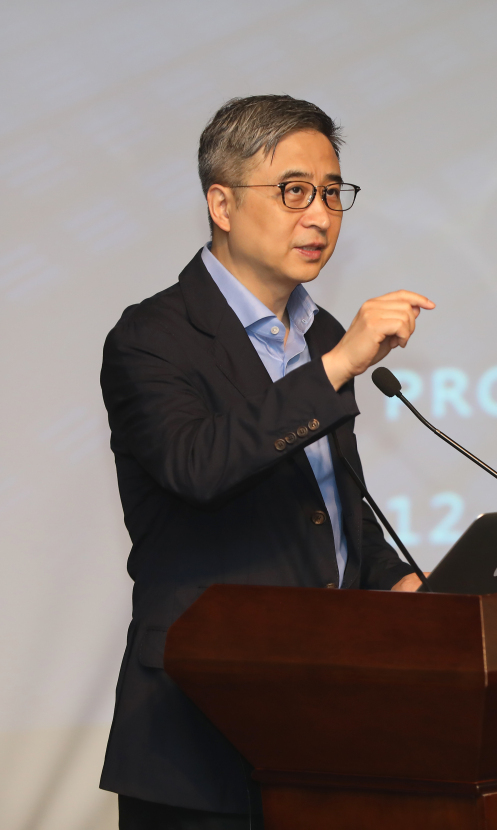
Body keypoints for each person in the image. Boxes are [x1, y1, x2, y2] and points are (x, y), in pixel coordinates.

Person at [98, 95, 435, 828]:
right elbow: (197, 466)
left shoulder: (322, 335)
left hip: (324, 725)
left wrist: (394, 582)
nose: (320, 216)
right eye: (293, 192)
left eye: (332, 192)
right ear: (221, 204)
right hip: (198, 730)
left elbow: (330, 506)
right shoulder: (151, 337)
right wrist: (336, 368)